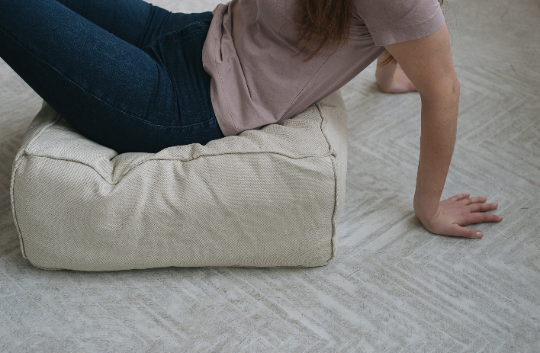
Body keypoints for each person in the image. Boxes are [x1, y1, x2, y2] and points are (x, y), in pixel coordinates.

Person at [0, 0, 502, 239]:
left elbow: (444, 90)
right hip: (190, 33)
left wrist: (429, 207)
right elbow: (396, 29)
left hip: (181, 104)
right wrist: (390, 73)